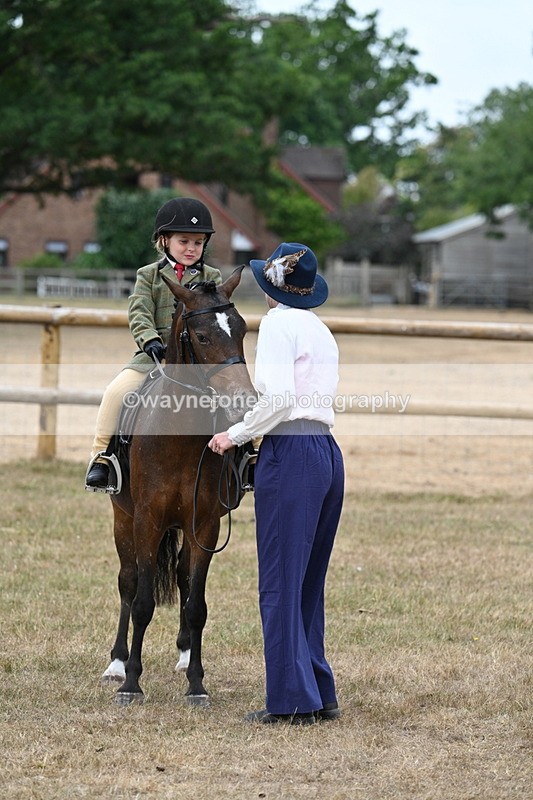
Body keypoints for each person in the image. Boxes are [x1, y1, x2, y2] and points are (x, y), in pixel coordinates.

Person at [208, 242, 345, 726]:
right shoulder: (318, 328)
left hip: (290, 453)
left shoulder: (278, 326)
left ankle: (290, 701)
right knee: (308, 581)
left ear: (271, 288)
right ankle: (317, 690)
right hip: (327, 451)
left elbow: (281, 399)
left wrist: (235, 434)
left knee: (280, 581)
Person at [86, 197, 222, 488]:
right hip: (154, 355)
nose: (191, 249)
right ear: (164, 240)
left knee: (235, 394)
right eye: (184, 241)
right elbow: (139, 313)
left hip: (199, 360)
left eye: (198, 243)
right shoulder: (148, 275)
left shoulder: (212, 277)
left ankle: (248, 456)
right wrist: (150, 341)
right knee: (115, 391)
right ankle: (101, 457)